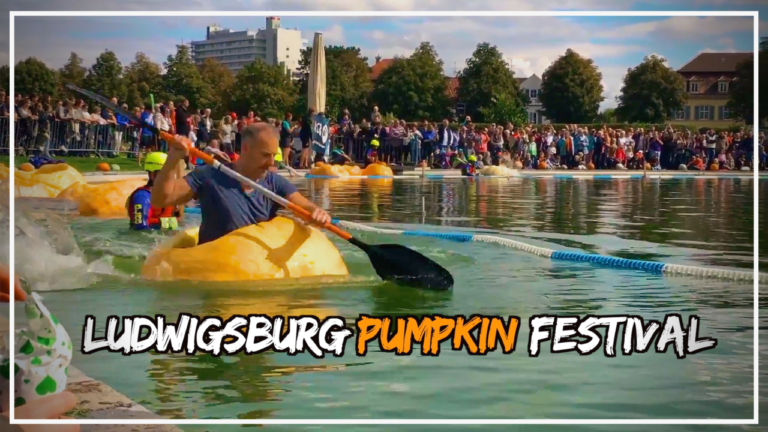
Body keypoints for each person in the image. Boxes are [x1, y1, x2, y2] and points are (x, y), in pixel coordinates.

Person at [150, 123, 331, 246]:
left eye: (273, 156)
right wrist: (173, 158)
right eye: (265, 155)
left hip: (256, 269)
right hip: (215, 270)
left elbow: (303, 206)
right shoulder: (209, 175)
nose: (271, 163)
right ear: (245, 148)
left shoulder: (275, 182)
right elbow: (160, 199)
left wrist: (316, 213)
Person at [126, 152, 184, 231]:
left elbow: (179, 220)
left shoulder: (171, 195)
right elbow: (141, 229)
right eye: (165, 173)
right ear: (152, 174)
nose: (169, 176)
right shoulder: (142, 197)